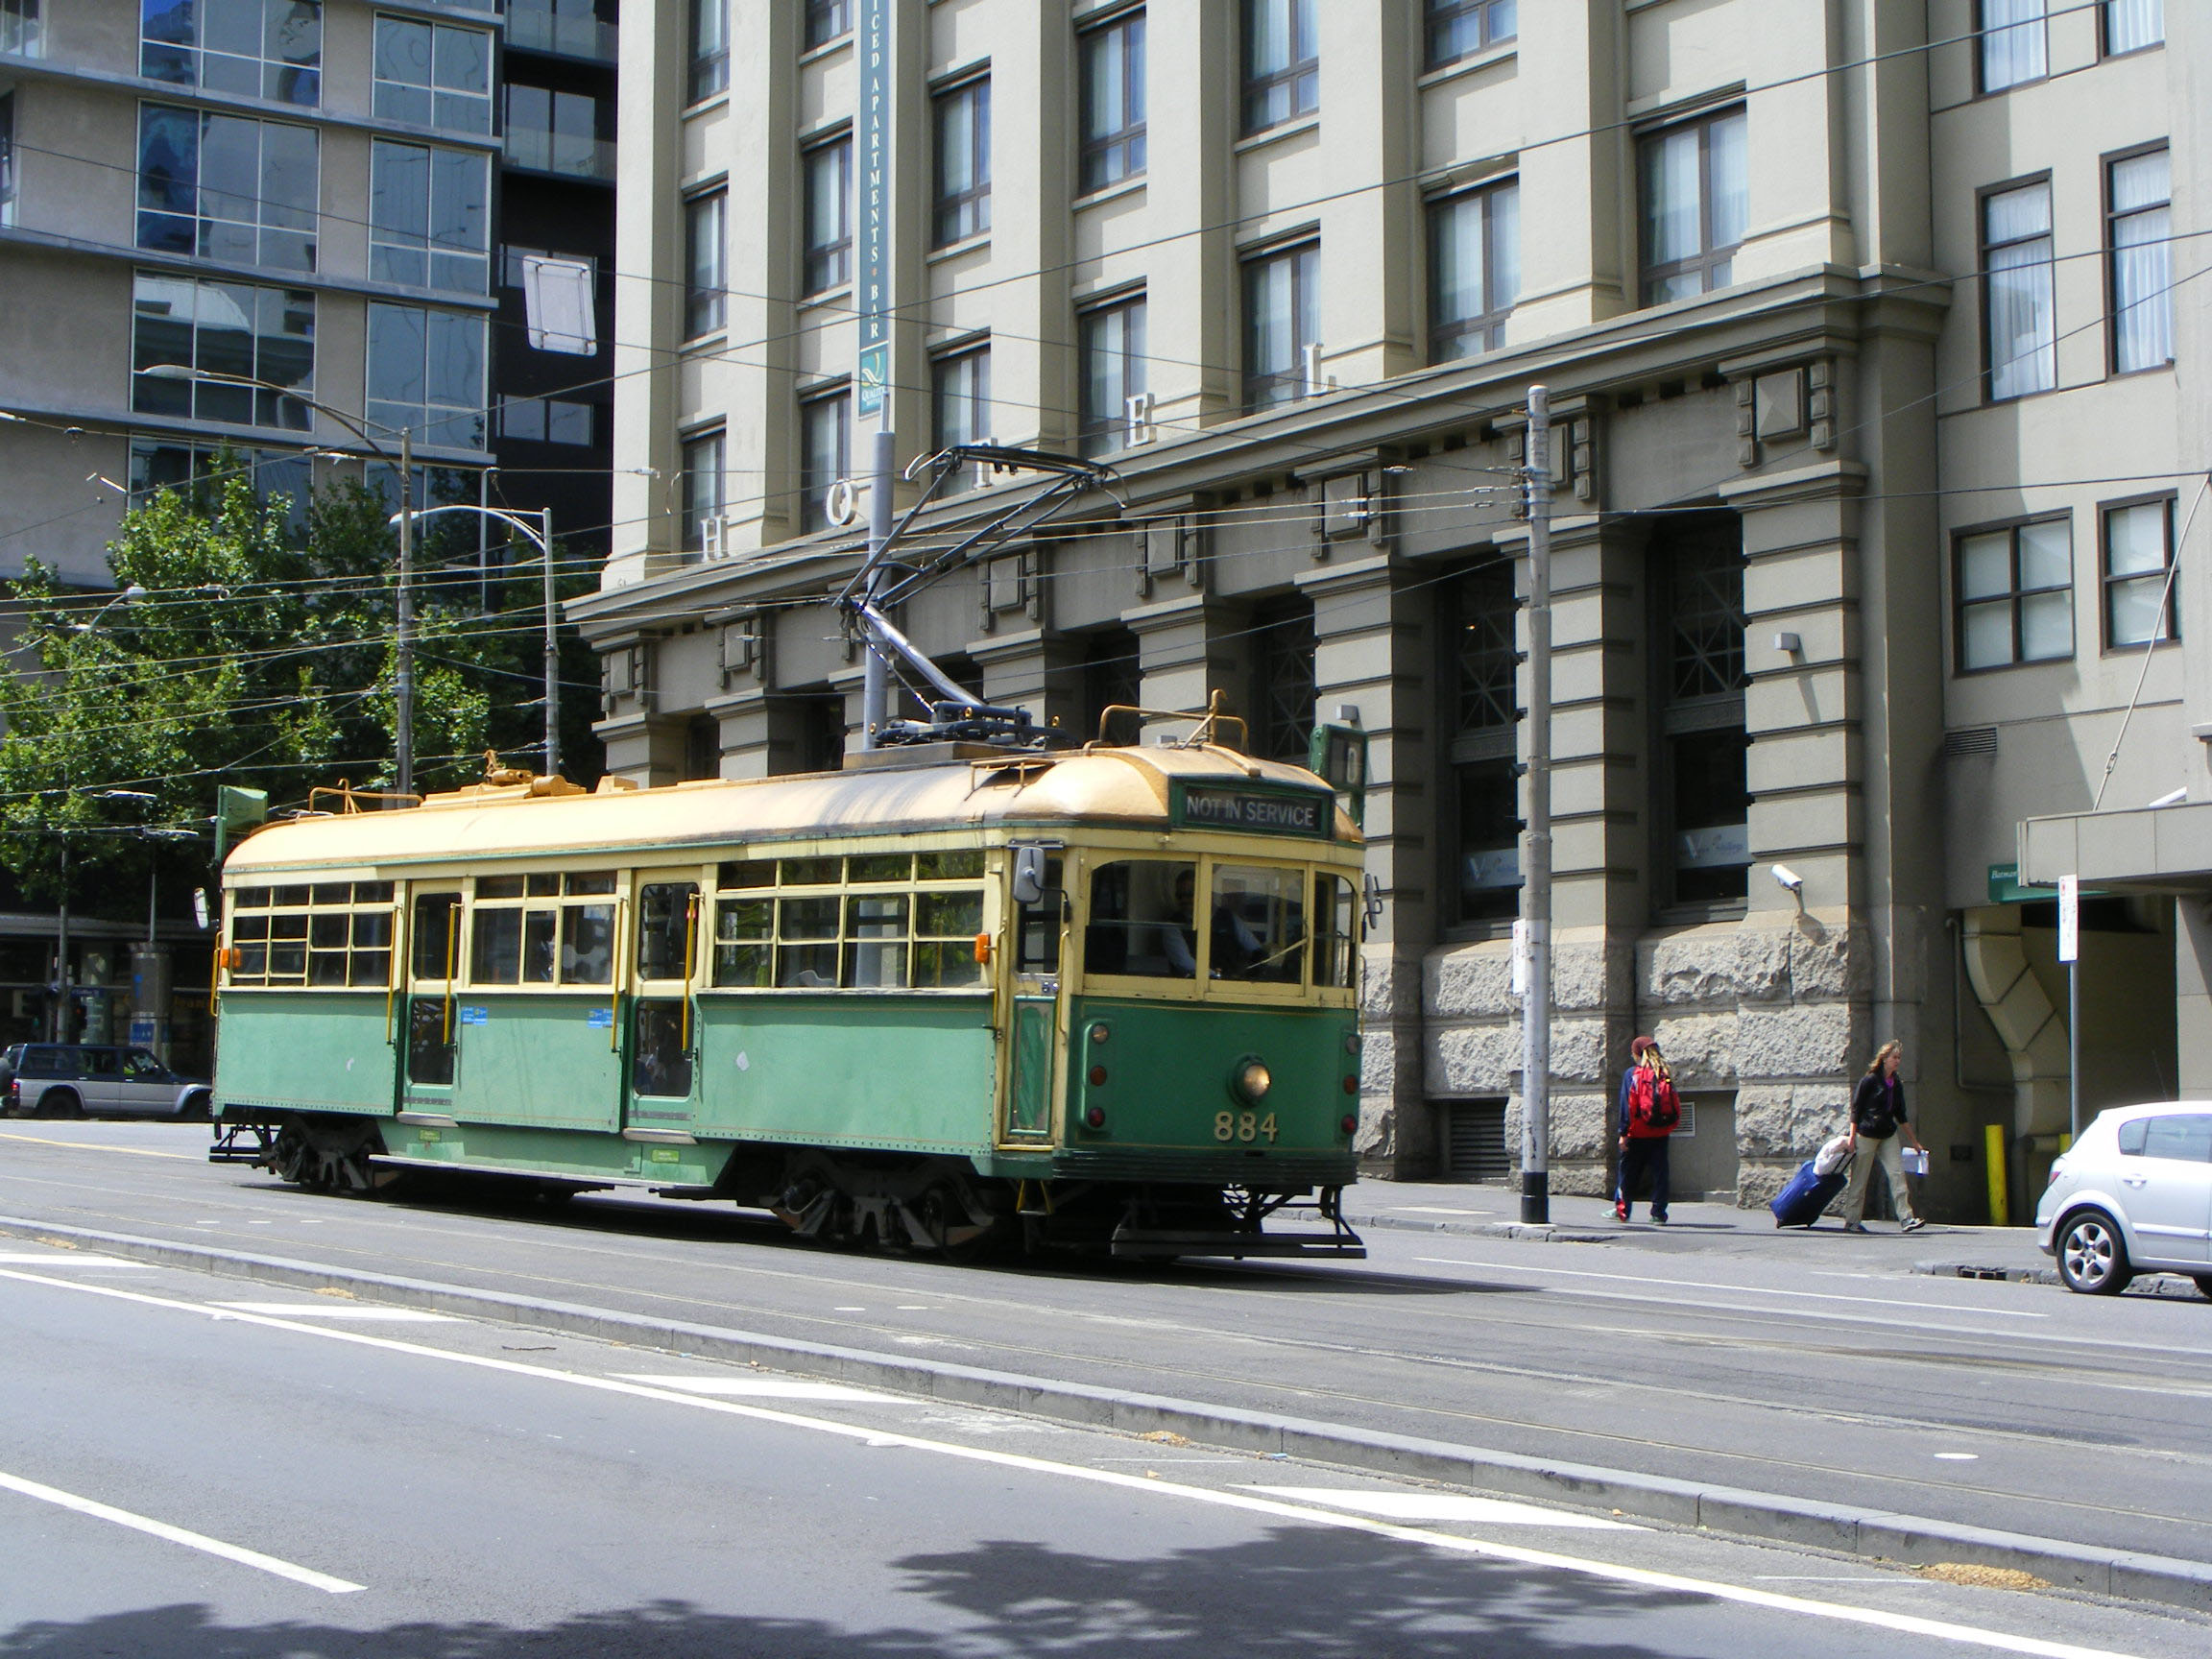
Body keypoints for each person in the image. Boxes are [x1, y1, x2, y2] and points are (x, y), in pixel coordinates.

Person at [1839, 1040, 1928, 1234]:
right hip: (1867, 1134)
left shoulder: (1896, 1083)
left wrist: (1915, 1142)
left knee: (1897, 1175)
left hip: (1887, 1134)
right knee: (1860, 1179)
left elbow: (1901, 1114)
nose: (1897, 1061)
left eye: (1899, 1058)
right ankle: (1852, 1220)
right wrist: (1852, 1139)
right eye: (1894, 1057)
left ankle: (1906, 1218)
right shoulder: (1870, 1080)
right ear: (1884, 1059)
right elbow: (1856, 1110)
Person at [1614, 1036, 1678, 1224]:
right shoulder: (1663, 1073)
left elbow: (1626, 1105)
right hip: (1660, 1130)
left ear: (1636, 1053)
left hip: (1637, 1131)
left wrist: (1623, 1133)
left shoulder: (1632, 1074)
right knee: (1660, 1172)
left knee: (1627, 1172)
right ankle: (1658, 1213)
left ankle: (1622, 1210)